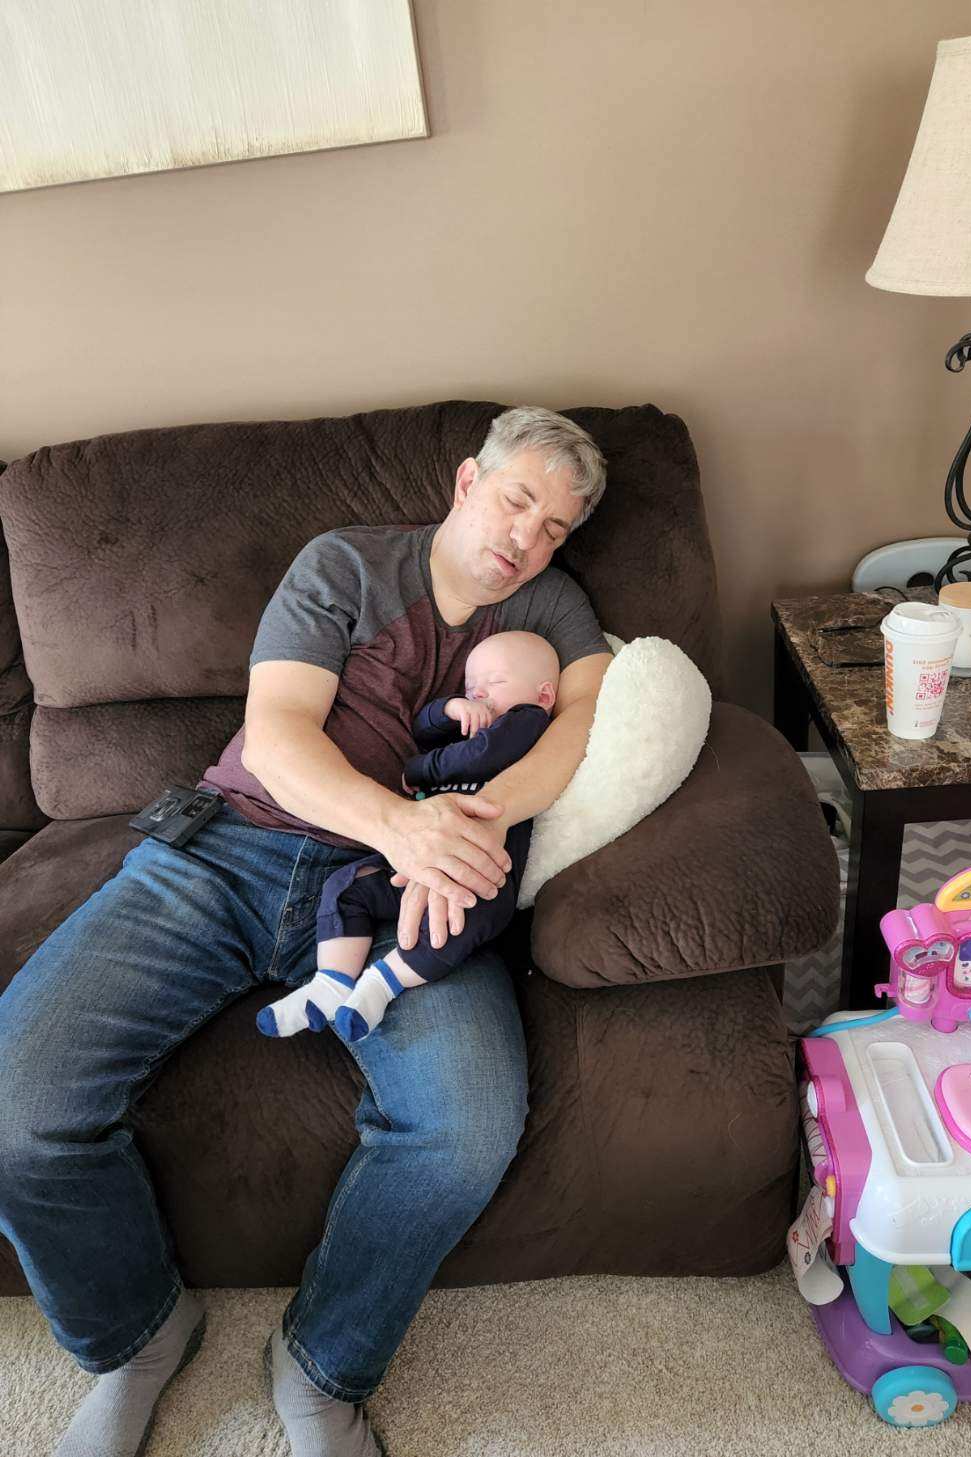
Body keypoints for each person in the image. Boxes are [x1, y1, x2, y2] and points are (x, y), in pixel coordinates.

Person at [0, 405, 612, 1457]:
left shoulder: (554, 605)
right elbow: (278, 737)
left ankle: (324, 1365)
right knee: (17, 1104)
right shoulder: (346, 564)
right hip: (233, 845)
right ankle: (136, 1339)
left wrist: (472, 823)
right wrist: (403, 826)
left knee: (463, 1130)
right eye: (517, 500)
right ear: (468, 482)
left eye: (555, 526)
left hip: (417, 882)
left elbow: (591, 721)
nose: (528, 537)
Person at [256, 629, 561, 1041]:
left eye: (496, 682)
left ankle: (382, 983)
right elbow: (423, 732)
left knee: (457, 920)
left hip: (476, 874)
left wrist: (419, 771)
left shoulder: (530, 721)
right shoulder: (468, 724)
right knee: (349, 885)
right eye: (471, 686)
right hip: (413, 857)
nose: (479, 693)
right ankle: (331, 983)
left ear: (544, 694)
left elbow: (483, 755)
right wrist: (447, 710)